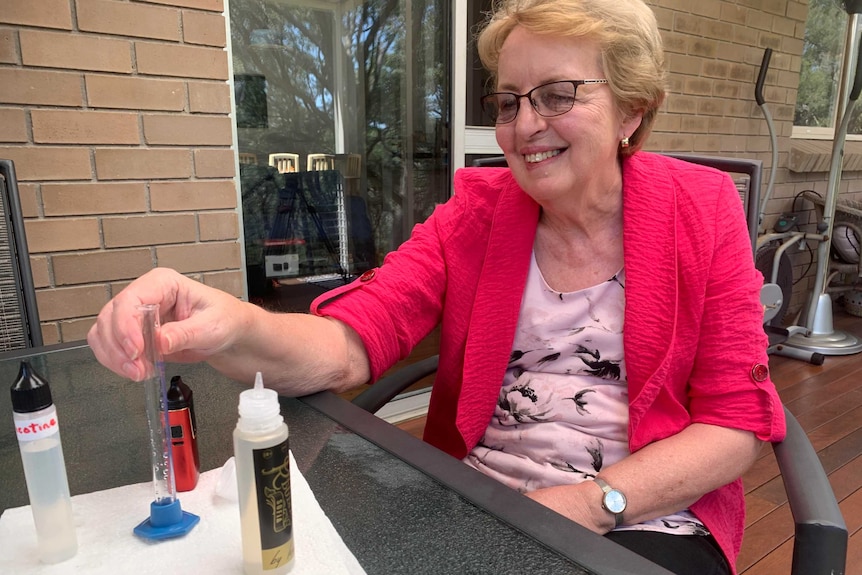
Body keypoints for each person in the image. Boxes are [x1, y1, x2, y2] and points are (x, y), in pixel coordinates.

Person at [87, 1, 785, 573]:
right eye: (509, 101)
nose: (524, 126)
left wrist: (580, 504)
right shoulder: (478, 212)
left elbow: (734, 427)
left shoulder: (702, 208)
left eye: (557, 94)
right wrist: (232, 324)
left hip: (642, 517)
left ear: (633, 110)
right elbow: (355, 337)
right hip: (476, 502)